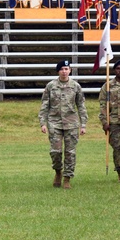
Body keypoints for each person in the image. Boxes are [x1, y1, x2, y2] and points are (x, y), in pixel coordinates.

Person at [38, 60, 87, 189]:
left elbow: (81, 105)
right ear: (58, 71)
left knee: (70, 152)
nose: (64, 71)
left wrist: (83, 124)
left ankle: (67, 178)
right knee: (56, 151)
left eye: (66, 69)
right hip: (54, 122)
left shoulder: (75, 86)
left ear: (70, 70)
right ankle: (58, 172)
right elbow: (44, 104)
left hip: (71, 123)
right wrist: (42, 122)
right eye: (62, 69)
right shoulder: (51, 86)